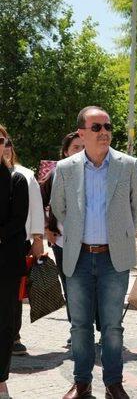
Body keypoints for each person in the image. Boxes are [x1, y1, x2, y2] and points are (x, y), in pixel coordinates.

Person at [51, 106, 137, 399]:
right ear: (81, 133)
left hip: (113, 258)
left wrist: (120, 234)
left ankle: (113, 382)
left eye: (107, 127)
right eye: (96, 128)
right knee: (79, 326)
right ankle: (82, 382)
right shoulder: (66, 168)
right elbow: (59, 207)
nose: (104, 132)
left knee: (112, 326)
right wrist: (79, 231)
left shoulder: (128, 164)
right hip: (77, 256)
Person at [40, 131, 85, 346]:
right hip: (62, 243)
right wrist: (46, 230)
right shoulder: (55, 174)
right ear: (66, 151)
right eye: (76, 147)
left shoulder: (98, 172)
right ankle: (76, 330)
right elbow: (38, 202)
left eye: (83, 147)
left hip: (92, 244)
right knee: (71, 287)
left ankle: (96, 328)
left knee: (92, 287)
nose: (81, 151)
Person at [3, 136, 45, 356]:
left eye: (7, 142)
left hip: (19, 241)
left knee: (14, 291)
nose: (5, 147)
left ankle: (14, 335)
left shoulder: (25, 175)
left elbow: (36, 209)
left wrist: (38, 240)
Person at [0, 125, 29, 399]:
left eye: (1, 140)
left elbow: (18, 221)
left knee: (4, 322)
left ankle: (0, 379)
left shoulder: (16, 179)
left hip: (5, 263)